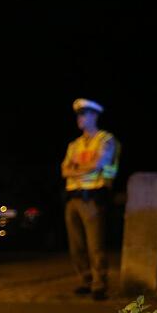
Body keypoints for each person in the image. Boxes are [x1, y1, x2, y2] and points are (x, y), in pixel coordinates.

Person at [61, 98, 119, 300]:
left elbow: (98, 165)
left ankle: (99, 284)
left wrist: (77, 168)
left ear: (94, 116)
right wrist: (80, 169)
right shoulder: (74, 144)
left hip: (93, 198)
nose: (79, 118)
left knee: (95, 245)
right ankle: (85, 280)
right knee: (76, 245)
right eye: (78, 114)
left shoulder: (106, 140)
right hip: (72, 199)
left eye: (83, 114)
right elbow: (64, 170)